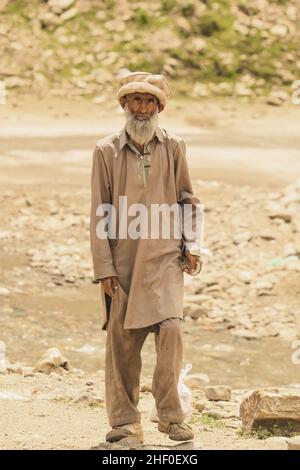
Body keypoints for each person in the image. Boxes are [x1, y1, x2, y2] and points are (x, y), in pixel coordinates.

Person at [90, 71, 203, 443]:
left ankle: (171, 417)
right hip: (123, 261)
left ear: (159, 107)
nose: (142, 108)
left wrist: (192, 244)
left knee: (170, 331)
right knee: (123, 340)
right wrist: (104, 267)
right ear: (124, 105)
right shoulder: (105, 151)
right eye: (136, 100)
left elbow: (187, 197)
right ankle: (124, 422)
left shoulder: (174, 146)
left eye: (150, 101)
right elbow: (100, 211)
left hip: (166, 256)